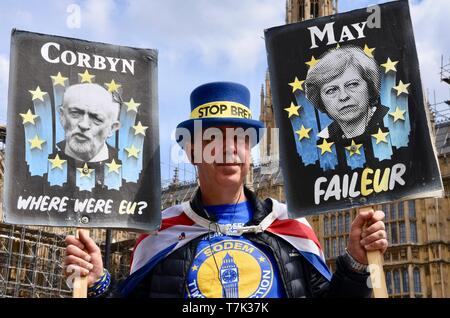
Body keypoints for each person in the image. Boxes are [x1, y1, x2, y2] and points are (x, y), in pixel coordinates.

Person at [65, 82, 388, 298]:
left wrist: (357, 263)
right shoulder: (160, 232)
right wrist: (97, 284)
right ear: (192, 153)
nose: (228, 149)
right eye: (212, 140)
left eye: (240, 139)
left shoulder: (292, 228)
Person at [304, 45, 389, 142]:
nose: (343, 96)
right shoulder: (322, 142)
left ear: (369, 88)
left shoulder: (391, 123)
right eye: (331, 90)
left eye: (352, 84)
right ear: (321, 101)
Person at [58, 83, 121, 162]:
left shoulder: (124, 164)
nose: (84, 125)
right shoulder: (46, 158)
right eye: (75, 113)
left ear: (111, 128)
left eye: (96, 118)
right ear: (62, 116)